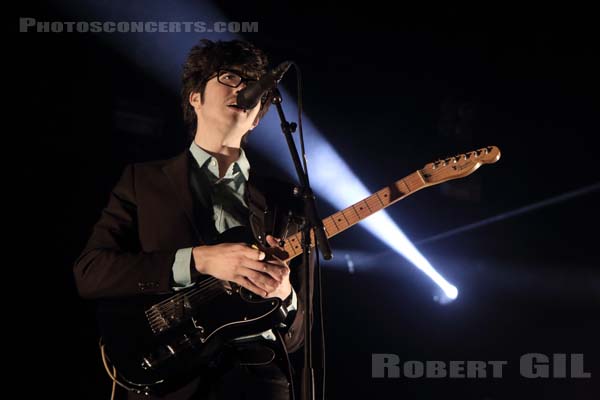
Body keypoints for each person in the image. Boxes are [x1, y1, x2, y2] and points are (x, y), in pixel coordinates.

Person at [74, 39, 311, 400]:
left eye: (253, 83)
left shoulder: (287, 201)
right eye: (230, 76)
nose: (244, 88)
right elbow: (91, 273)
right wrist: (199, 260)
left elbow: (297, 339)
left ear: (259, 115)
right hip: (171, 374)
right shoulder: (144, 181)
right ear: (195, 97)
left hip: (257, 379)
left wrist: (286, 296)